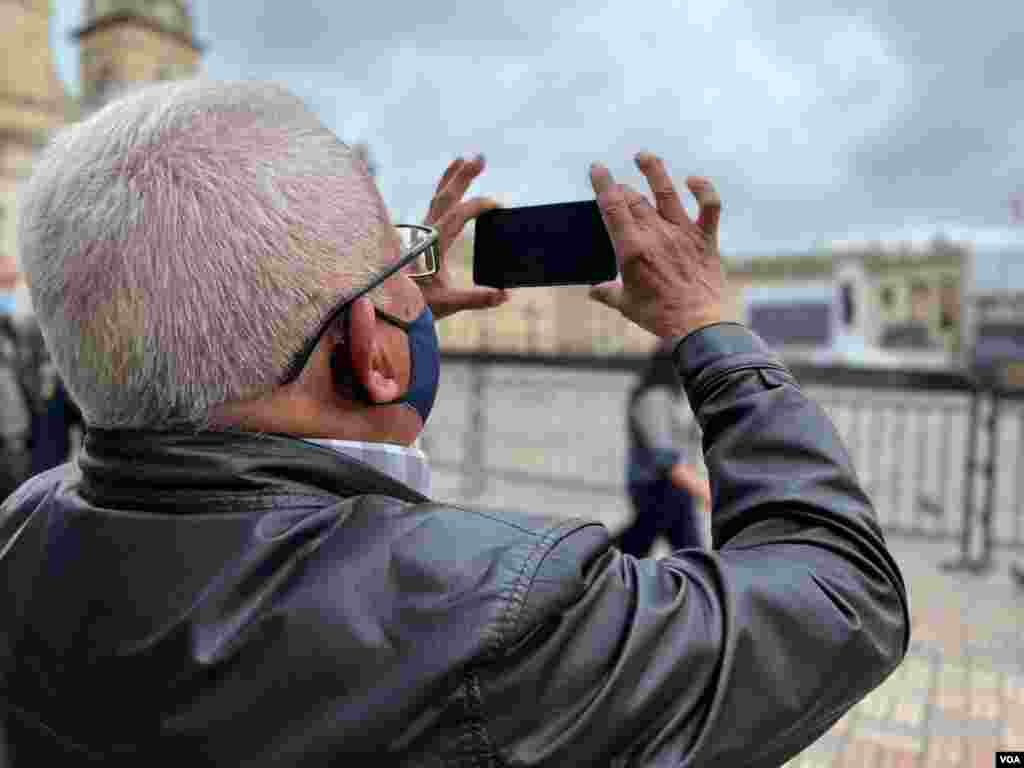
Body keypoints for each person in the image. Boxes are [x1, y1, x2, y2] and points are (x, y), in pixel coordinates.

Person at [0, 79, 909, 766]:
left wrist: (382, 319)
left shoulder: (25, 530)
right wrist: (709, 325)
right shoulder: (494, 612)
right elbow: (841, 603)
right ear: (374, 348)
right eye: (396, 278)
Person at [616, 338, 711, 556]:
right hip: (655, 486)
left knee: (686, 551)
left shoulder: (676, 396)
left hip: (675, 488)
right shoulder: (654, 398)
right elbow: (665, 458)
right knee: (643, 545)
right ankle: (597, 567)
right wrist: (705, 492)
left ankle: (601, 570)